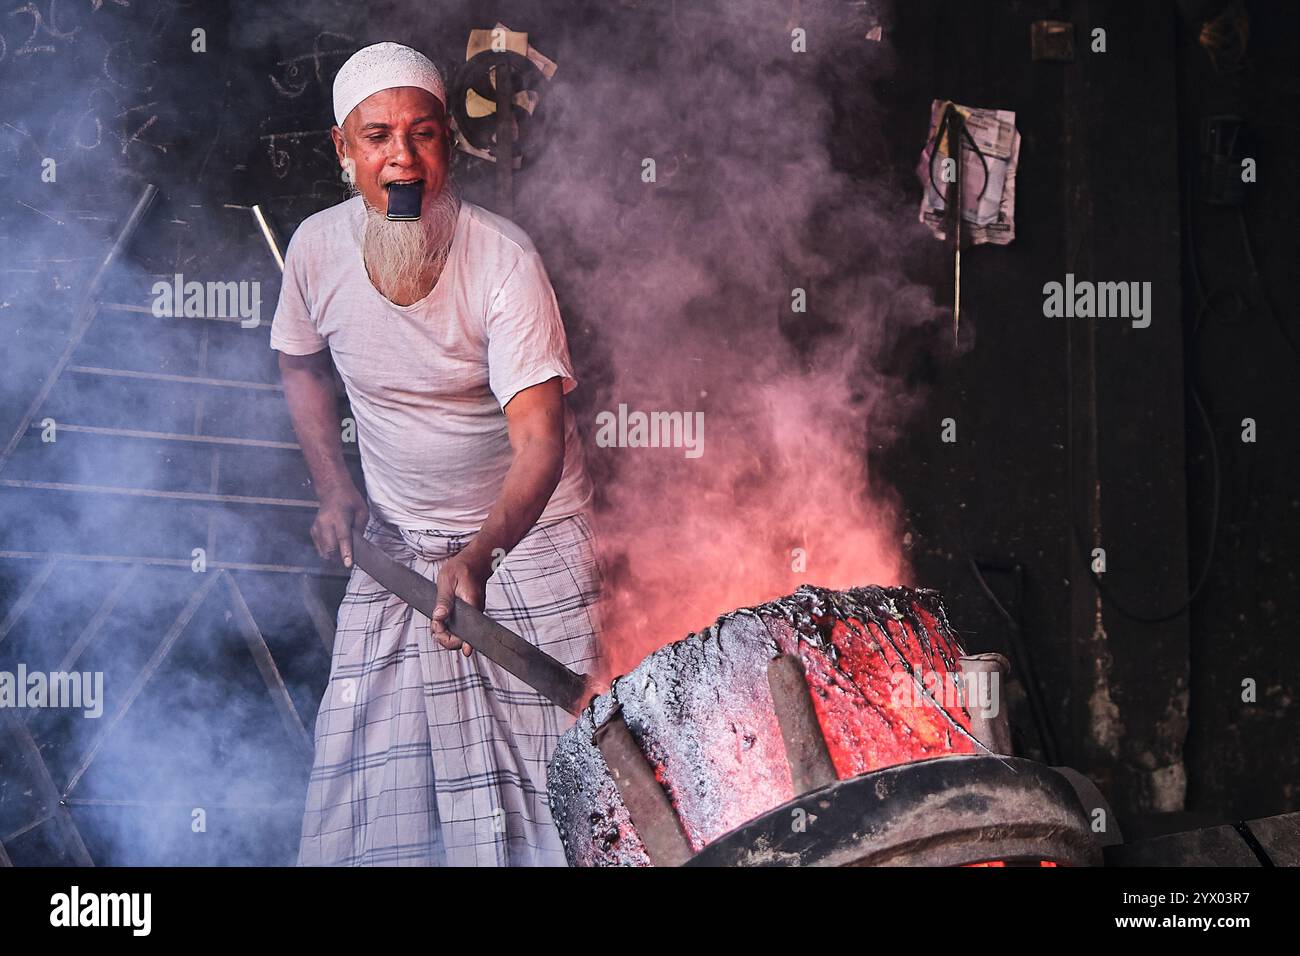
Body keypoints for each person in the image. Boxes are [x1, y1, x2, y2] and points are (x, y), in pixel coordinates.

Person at [270, 41, 600, 866]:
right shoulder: (314, 249)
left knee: (568, 790)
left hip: (527, 545)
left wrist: (482, 552)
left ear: (448, 146)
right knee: (364, 800)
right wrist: (332, 489)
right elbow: (299, 363)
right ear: (343, 152)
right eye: (377, 137)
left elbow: (539, 442)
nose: (402, 158)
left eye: (422, 135)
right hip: (401, 546)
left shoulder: (504, 260)